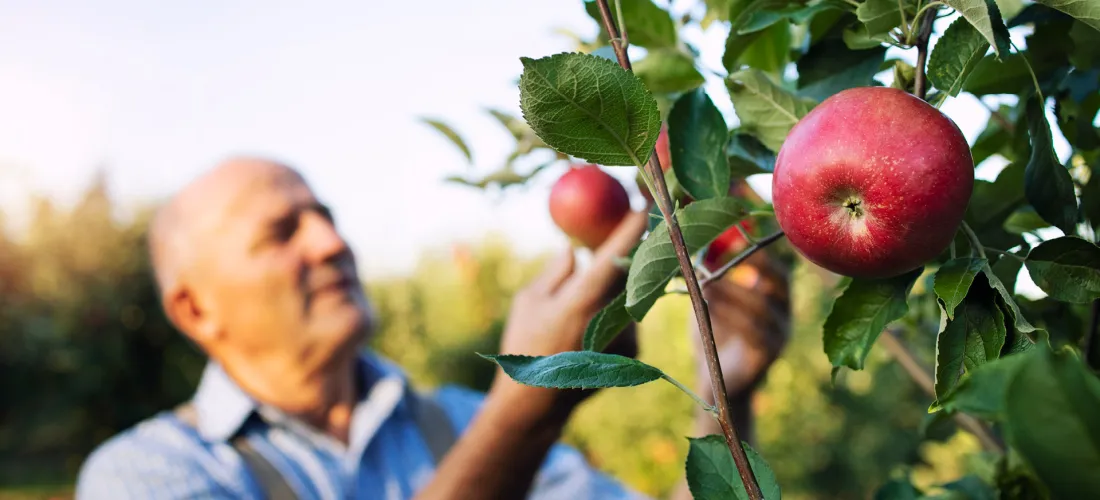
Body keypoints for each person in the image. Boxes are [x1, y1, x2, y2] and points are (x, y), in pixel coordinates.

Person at [74, 157, 788, 499]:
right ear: (195, 309)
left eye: (326, 215)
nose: (331, 242)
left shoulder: (453, 419)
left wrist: (723, 390)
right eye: (281, 232)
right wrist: (523, 415)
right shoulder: (144, 475)